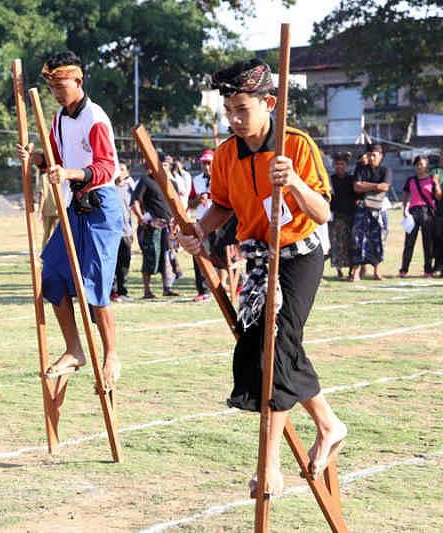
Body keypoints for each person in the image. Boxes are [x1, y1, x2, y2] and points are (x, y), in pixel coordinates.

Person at [177, 59, 346, 498]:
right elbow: (221, 206)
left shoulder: (296, 144)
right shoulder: (228, 154)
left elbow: (323, 212)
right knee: (258, 347)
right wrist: (199, 230)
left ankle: (269, 468)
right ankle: (329, 424)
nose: (233, 119)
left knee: (278, 346)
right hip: (258, 258)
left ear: (269, 103)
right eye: (228, 109)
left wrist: (292, 182)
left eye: (242, 109)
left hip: (300, 255)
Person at [16, 50, 123, 387]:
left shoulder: (95, 118)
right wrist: (34, 158)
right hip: (72, 206)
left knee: (93, 285)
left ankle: (110, 354)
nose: (58, 93)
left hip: (101, 206)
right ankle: (74, 349)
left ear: (79, 80)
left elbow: (107, 167)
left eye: (63, 85)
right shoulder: (59, 120)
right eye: (53, 88)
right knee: (52, 274)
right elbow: (53, 160)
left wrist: (70, 173)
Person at [132, 169, 177, 299]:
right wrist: (141, 219)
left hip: (168, 225)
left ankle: (167, 288)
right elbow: (135, 201)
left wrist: (177, 222)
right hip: (152, 226)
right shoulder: (146, 180)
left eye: (166, 165)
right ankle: (147, 291)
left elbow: (175, 203)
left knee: (167, 257)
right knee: (150, 256)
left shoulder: (170, 182)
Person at [351, 144, 392, 280]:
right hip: (363, 208)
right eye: (369, 154)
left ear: (381, 156)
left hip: (379, 209)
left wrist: (365, 186)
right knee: (358, 238)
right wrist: (375, 186)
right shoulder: (361, 169)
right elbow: (357, 187)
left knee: (379, 239)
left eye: (374, 154)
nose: (371, 157)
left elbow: (385, 186)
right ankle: (356, 271)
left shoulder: (385, 170)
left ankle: (376, 270)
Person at [399, 156, 441, 277]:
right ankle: (404, 269)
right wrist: (405, 208)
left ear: (427, 166)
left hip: (427, 212)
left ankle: (428, 270)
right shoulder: (410, 180)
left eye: (421, 164)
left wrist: (437, 183)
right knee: (409, 242)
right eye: (417, 164)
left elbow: (438, 196)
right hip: (413, 212)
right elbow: (406, 194)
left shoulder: (432, 179)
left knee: (428, 243)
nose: (419, 166)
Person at [189, 149, 216, 302]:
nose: (206, 166)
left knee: (222, 256)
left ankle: (234, 283)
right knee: (199, 254)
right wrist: (198, 200)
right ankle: (202, 289)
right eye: (204, 163)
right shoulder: (196, 180)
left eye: (209, 163)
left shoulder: (221, 176)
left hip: (220, 222)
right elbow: (190, 203)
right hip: (202, 222)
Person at [328, 152, 357, 279]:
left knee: (351, 243)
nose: (340, 166)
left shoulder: (351, 180)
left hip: (351, 214)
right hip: (336, 215)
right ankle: (339, 270)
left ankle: (352, 270)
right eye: (337, 164)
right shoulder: (330, 180)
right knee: (337, 243)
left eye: (342, 164)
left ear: (346, 165)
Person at [111, 161, 134, 303]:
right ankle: (112, 292)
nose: (120, 172)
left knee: (125, 262)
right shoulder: (110, 188)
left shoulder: (130, 188)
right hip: (113, 231)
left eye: (123, 169)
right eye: (118, 169)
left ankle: (122, 290)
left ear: (127, 172)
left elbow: (133, 207)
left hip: (127, 231)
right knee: (113, 262)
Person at [38, 170, 59, 246]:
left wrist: (39, 211)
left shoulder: (43, 177)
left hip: (47, 210)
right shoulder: (59, 175)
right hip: (58, 210)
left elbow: (42, 196)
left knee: (46, 235)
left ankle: (44, 253)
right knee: (58, 235)